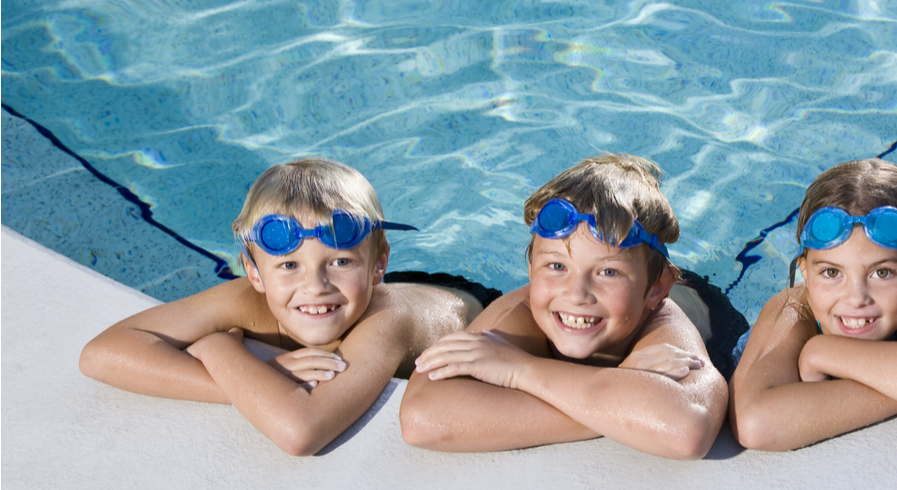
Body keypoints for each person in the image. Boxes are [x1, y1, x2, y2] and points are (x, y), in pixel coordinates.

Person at [79, 157, 490, 456]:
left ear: (379, 263)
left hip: (458, 305)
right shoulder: (247, 296)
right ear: (254, 272)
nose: (315, 286)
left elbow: (301, 431)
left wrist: (219, 350)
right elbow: (102, 354)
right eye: (289, 265)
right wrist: (257, 375)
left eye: (339, 261)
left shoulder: (386, 323)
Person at [400, 154, 728, 460]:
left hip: (704, 308)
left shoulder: (663, 325)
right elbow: (421, 416)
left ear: (657, 288)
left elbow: (688, 430)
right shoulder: (518, 315)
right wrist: (621, 386)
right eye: (556, 266)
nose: (576, 293)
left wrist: (521, 370)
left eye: (608, 271)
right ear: (530, 271)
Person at [730, 158, 897, 452]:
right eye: (831, 272)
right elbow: (755, 424)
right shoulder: (792, 310)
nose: (856, 298)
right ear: (805, 273)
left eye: (882, 273)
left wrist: (825, 353)